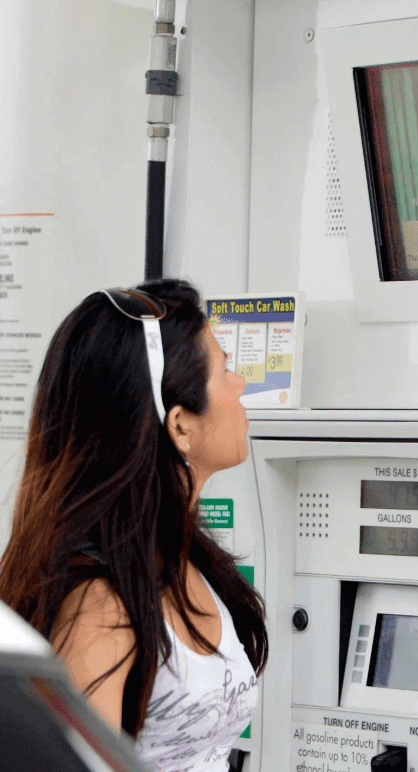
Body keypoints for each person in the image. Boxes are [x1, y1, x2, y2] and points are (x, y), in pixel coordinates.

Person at [0, 279, 268, 772]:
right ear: (181, 424)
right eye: (225, 368)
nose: (240, 383)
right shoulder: (100, 608)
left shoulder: (191, 561)